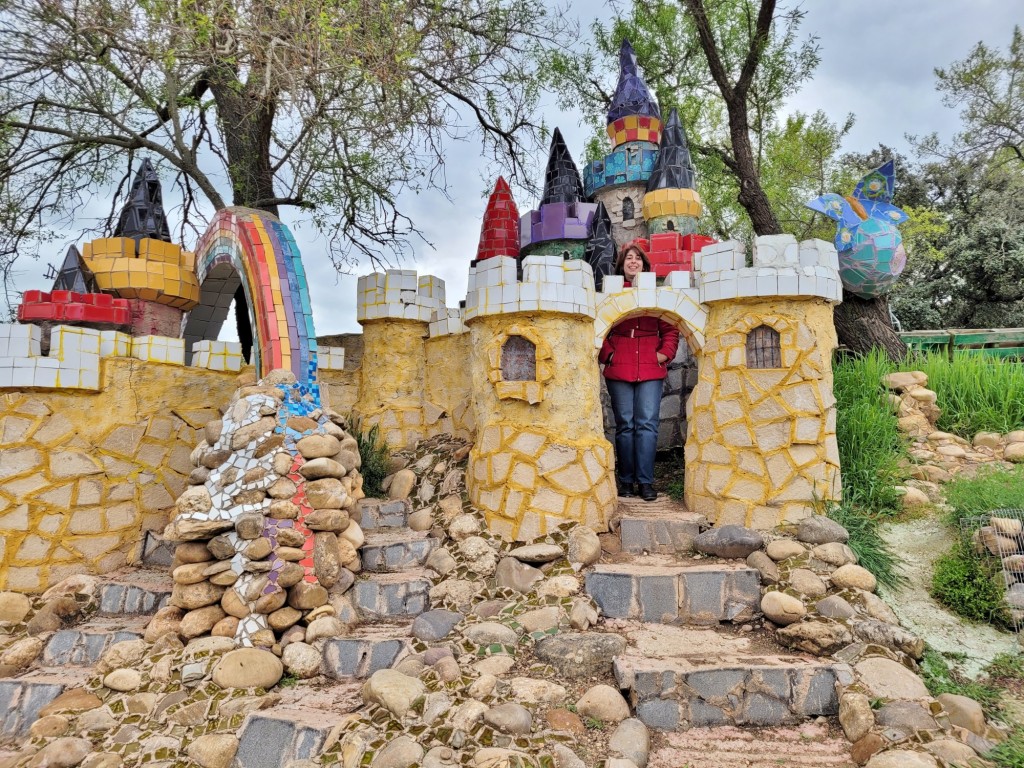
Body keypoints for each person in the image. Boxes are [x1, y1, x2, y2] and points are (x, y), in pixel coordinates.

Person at [598, 242, 680, 501]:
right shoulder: (611, 293)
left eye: (637, 259)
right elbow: (600, 326)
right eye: (628, 259)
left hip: (649, 365)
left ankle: (645, 482)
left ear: (644, 264)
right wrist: (609, 354)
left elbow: (671, 327)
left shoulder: (655, 293)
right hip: (620, 364)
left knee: (647, 424)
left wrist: (663, 355)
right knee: (625, 425)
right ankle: (625, 482)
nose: (633, 262)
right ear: (622, 265)